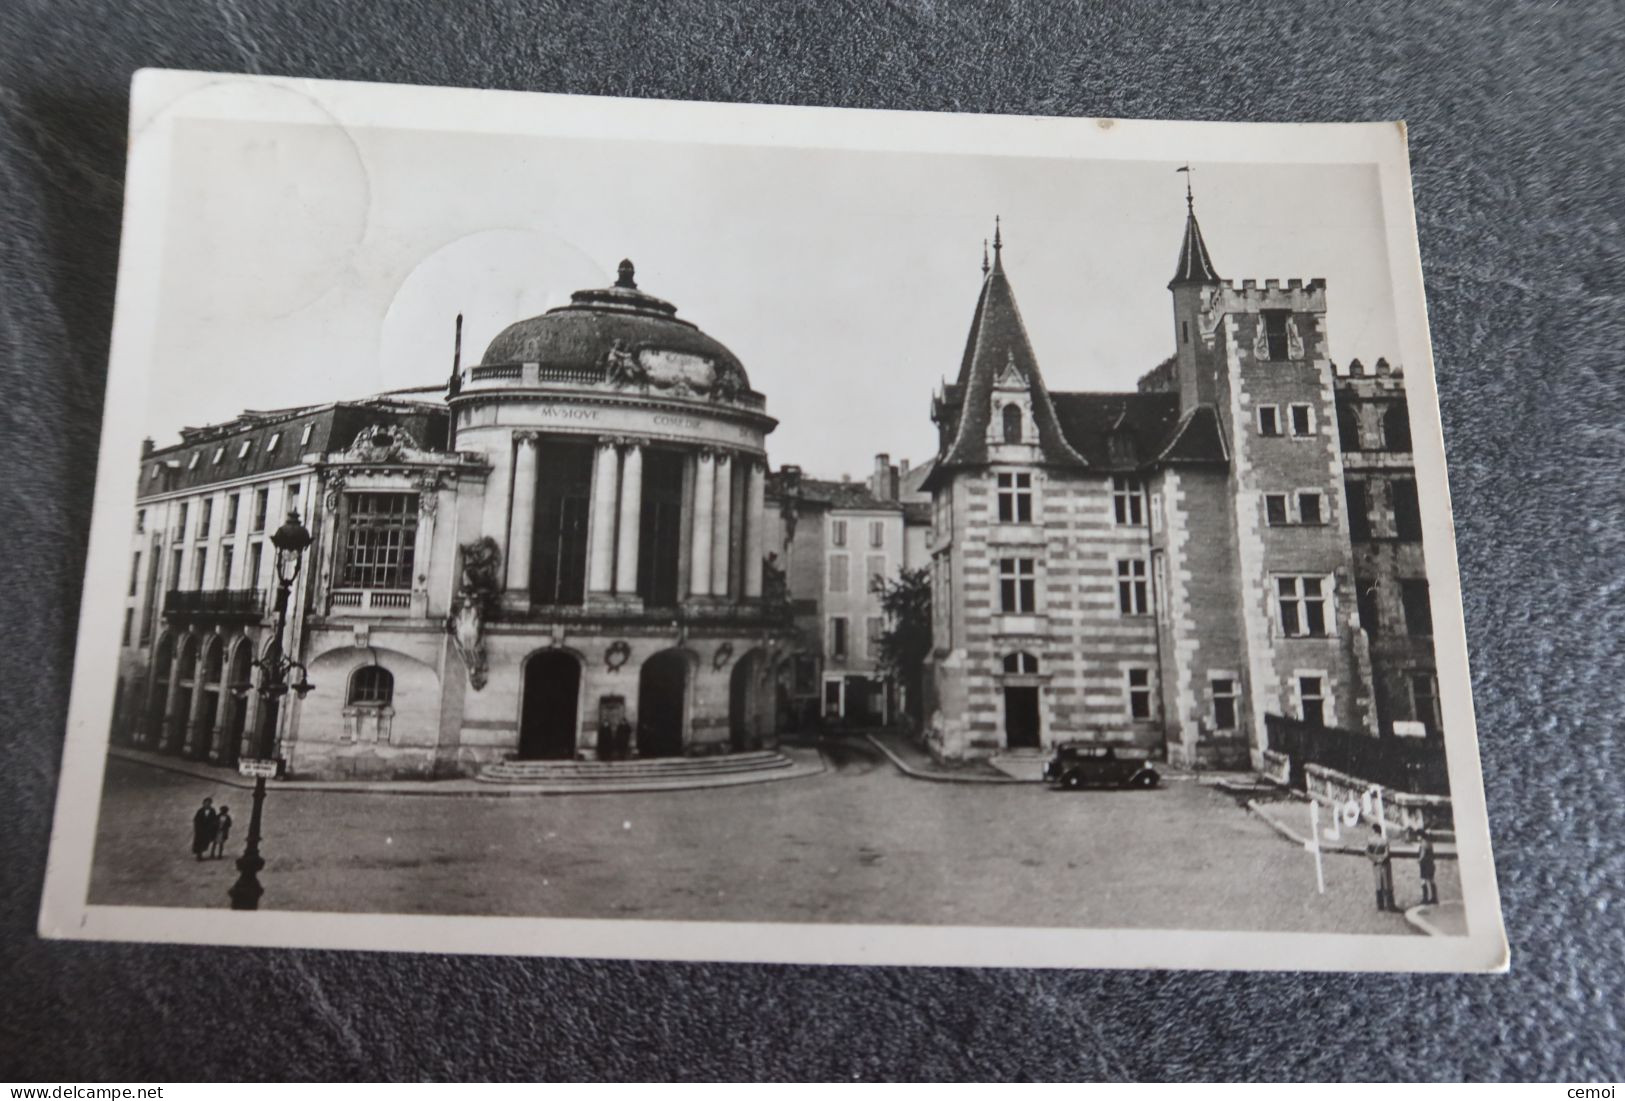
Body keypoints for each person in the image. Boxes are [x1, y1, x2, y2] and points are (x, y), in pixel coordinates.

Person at [1366, 822, 1395, 912]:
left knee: (1378, 884)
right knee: (1387, 884)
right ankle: (1389, 904)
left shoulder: (1370, 840)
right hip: (1385, 864)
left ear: (1374, 831)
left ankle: (1380, 904)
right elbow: (1387, 853)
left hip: (1376, 865)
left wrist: (1375, 859)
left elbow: (1367, 852)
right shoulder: (1384, 841)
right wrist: (1382, 858)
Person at [1415, 827, 1438, 905]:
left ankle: (1425, 898)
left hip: (1425, 864)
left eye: (1417, 835)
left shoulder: (1423, 843)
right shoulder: (1429, 842)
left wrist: (1418, 860)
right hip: (1431, 864)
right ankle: (1434, 897)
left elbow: (1422, 854)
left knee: (1423, 881)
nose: (1417, 837)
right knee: (1431, 880)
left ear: (1420, 835)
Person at [191, 797, 217, 862]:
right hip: (200, 830)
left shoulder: (212, 811)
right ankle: (198, 855)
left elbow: (214, 819)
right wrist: (198, 828)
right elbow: (196, 820)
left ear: (210, 804)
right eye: (206, 803)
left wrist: (212, 827)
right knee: (199, 842)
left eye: (209, 803)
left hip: (207, 830)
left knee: (205, 842)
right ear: (203, 803)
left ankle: (201, 853)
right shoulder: (200, 811)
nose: (207, 804)